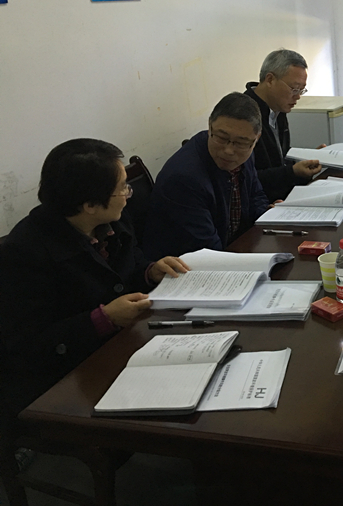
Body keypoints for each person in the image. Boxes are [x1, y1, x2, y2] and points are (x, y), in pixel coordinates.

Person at [0, 139, 188, 417]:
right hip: (68, 378)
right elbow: (28, 346)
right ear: (89, 204)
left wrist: (150, 271)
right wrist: (103, 319)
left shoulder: (113, 221)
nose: (128, 194)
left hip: (121, 346)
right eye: (122, 188)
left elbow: (128, 267)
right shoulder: (24, 252)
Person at [143, 92, 270, 260]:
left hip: (232, 248)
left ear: (256, 139)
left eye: (240, 143)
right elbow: (207, 249)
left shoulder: (246, 153)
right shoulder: (184, 179)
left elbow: (256, 196)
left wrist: (269, 216)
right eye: (221, 138)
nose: (229, 150)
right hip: (189, 265)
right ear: (210, 126)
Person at [243, 49, 323, 202]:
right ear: (270, 80)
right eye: (294, 89)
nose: (298, 96)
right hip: (262, 205)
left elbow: (280, 160)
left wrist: (307, 159)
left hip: (283, 199)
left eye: (301, 90)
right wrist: (292, 172)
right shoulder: (244, 115)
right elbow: (246, 179)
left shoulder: (278, 108)